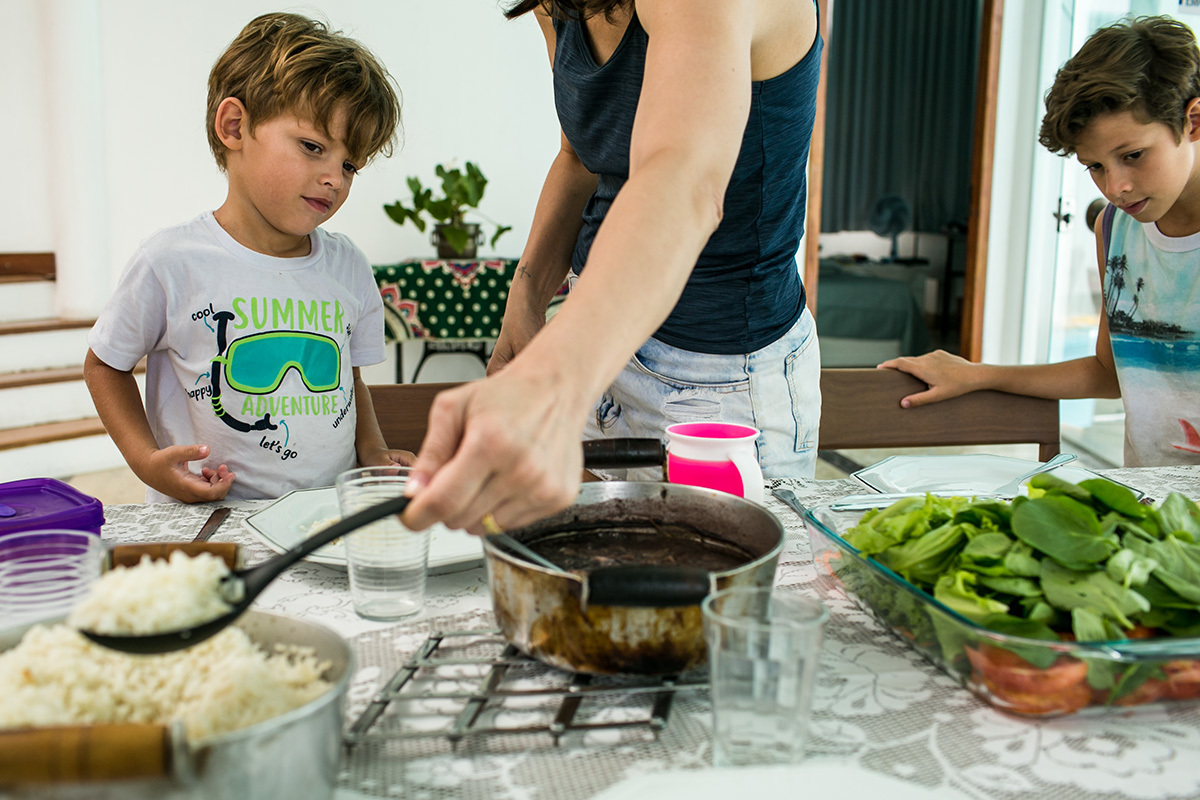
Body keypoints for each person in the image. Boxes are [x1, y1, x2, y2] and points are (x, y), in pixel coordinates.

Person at [403, 0, 823, 535]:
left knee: (714, 610)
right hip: (599, 350)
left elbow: (682, 178)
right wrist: (525, 304)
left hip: (719, 387)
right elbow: (579, 158)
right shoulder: (559, 3)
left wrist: (551, 381)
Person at [84, 12, 410, 503]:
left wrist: (373, 450)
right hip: (209, 521)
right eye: (312, 146)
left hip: (325, 518)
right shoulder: (172, 261)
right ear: (234, 126)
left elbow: (352, 380)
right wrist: (148, 463)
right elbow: (104, 366)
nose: (335, 179)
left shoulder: (349, 266)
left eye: (349, 165)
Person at [879, 15, 1200, 467]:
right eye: (1096, 167)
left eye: (1132, 156)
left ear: (1194, 121)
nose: (1115, 187)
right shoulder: (1115, 227)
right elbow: (1110, 373)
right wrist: (979, 375)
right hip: (1154, 510)